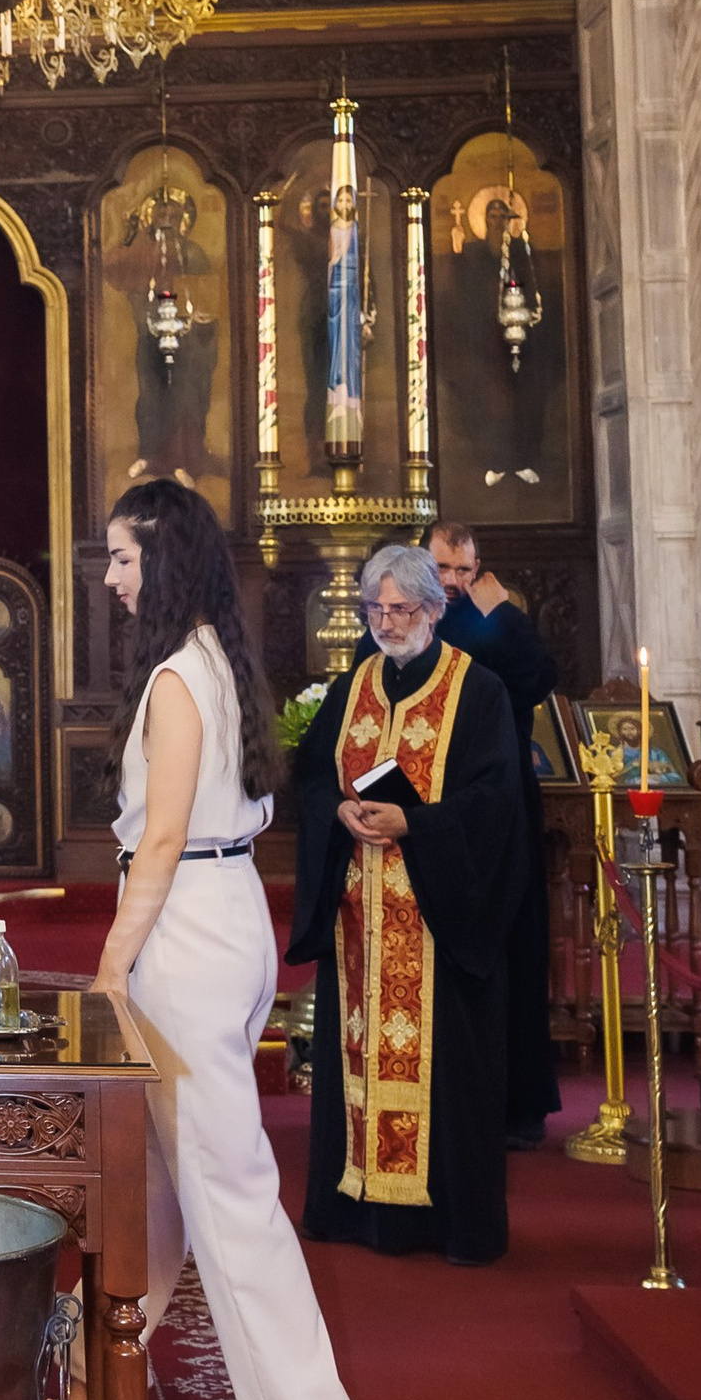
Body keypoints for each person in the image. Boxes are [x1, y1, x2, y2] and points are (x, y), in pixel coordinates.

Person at [95, 479, 363, 1400]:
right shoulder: (215, 659)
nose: (112, 578)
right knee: (163, 1171)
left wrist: (112, 964)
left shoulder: (174, 676)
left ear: (159, 562)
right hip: (228, 913)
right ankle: (91, 1361)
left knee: (225, 1182)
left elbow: (158, 839)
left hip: (187, 931)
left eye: (122, 558)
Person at [290, 543, 526, 1269]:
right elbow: (309, 779)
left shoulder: (477, 692)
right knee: (357, 1060)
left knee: (446, 1072)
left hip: (438, 922)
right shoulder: (351, 686)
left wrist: (412, 824)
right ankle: (358, 1208)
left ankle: (447, 1221)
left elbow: (496, 805)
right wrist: (339, 813)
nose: (386, 623)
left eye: (400, 609)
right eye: (375, 609)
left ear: (435, 609)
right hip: (360, 917)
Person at [428, 523, 562, 1151]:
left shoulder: (500, 619)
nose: (453, 581)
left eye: (463, 569)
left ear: (478, 568)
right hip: (437, 806)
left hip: (504, 803)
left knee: (514, 940)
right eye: (442, 568)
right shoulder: (414, 618)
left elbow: (537, 678)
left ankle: (520, 1103)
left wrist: (503, 612)